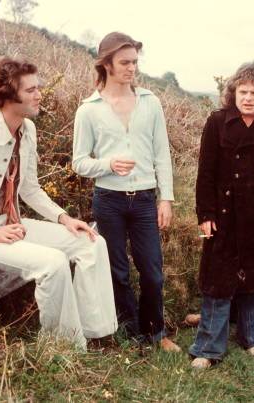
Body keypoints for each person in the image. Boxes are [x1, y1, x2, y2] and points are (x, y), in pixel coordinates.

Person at [0, 56, 117, 350]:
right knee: (52, 263)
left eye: (38, 88)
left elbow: (29, 189)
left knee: (91, 242)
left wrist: (64, 218)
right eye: (30, 90)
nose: (39, 94)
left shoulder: (27, 130)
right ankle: (61, 346)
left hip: (10, 224)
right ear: (6, 94)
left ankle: (98, 334)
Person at [72, 32, 180, 352]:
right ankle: (131, 334)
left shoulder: (150, 101)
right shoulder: (88, 110)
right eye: (125, 63)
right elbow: (79, 162)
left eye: (135, 62)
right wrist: (107, 163)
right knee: (117, 272)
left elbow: (162, 154)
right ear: (106, 65)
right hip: (109, 200)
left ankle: (155, 333)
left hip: (146, 199)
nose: (132, 68)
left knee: (152, 273)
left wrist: (166, 198)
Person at [189, 62, 254, 369]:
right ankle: (208, 348)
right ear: (233, 93)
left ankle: (253, 339)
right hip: (223, 214)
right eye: (243, 91)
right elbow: (205, 173)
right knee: (218, 280)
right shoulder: (217, 121)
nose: (248, 98)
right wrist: (205, 214)